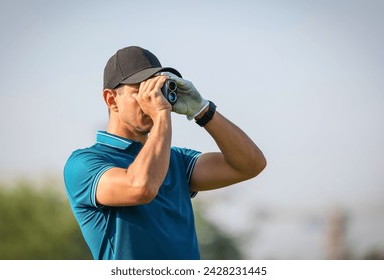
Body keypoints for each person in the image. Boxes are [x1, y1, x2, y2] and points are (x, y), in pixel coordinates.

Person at [63, 46, 266, 260]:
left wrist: (202, 110)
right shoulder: (84, 163)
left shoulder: (176, 159)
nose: (151, 98)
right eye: (140, 90)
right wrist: (161, 114)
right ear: (111, 99)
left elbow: (251, 164)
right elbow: (141, 187)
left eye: (156, 90)